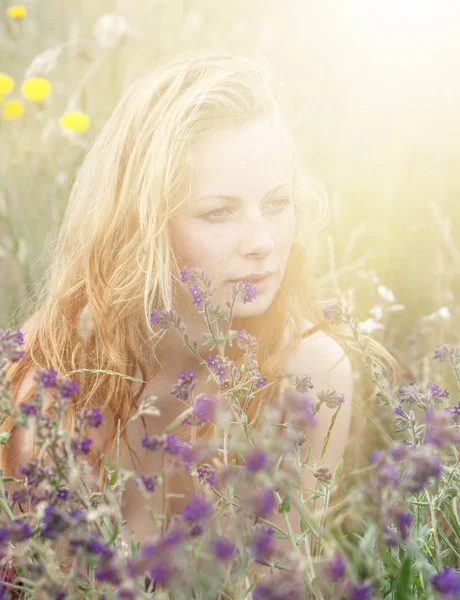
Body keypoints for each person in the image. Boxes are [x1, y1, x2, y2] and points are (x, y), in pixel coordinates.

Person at [0, 50, 398, 566]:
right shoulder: (54, 392)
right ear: (141, 227)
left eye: (277, 203)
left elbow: (278, 581)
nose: (262, 242)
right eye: (218, 212)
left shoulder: (311, 375)